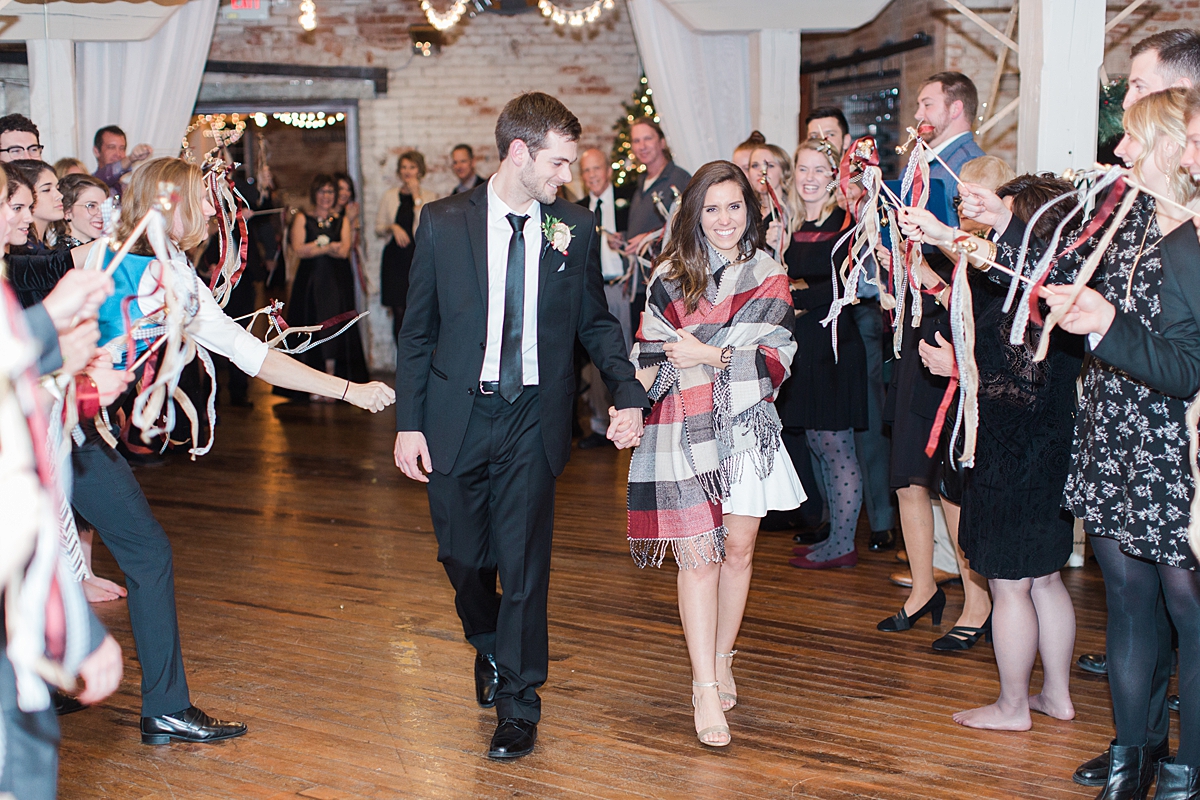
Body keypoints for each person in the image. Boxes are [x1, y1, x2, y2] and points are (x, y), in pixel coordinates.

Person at [10, 156, 395, 746]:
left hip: (72, 434)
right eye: (201, 199)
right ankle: (62, 692)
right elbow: (252, 356)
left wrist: (349, 389)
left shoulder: (154, 271)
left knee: (139, 553)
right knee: (65, 560)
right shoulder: (123, 264)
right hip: (36, 434)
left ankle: (144, 702)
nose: (213, 212)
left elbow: (249, 353)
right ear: (172, 206)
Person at [925, 87, 1200, 798]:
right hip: (1109, 434)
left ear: (1178, 149)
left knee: (1184, 613)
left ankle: (1184, 768)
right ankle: (1133, 754)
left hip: (1168, 448)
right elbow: (1045, 273)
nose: (1119, 152)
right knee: (1130, 605)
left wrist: (1108, 323)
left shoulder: (1188, 242)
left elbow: (1186, 367)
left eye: (1134, 137)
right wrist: (991, 227)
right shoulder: (1129, 225)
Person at [393, 92, 649, 761]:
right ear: (519, 152)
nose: (565, 176)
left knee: (525, 566)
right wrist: (408, 423)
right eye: (558, 163)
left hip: (534, 418)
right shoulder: (443, 222)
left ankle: (518, 699)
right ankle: (488, 642)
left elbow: (596, 321)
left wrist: (628, 391)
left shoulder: (574, 227)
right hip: (457, 414)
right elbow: (416, 333)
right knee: (463, 558)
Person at [627, 159, 800, 746]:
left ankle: (725, 654)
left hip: (748, 426)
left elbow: (778, 358)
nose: (725, 219)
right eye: (712, 207)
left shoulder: (769, 271)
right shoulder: (670, 275)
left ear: (749, 211)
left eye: (735, 206)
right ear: (694, 214)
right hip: (682, 425)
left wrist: (708, 356)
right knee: (698, 555)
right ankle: (704, 687)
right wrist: (679, 367)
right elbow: (650, 355)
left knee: (740, 551)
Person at [902, 173, 1082, 730]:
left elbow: (1021, 380)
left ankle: (1011, 706)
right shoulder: (1054, 283)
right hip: (1051, 445)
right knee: (1046, 578)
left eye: (1005, 216)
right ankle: (1056, 695)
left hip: (1014, 450)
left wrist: (958, 368)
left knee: (1009, 585)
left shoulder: (1025, 293)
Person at [777, 139, 866, 570]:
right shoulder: (794, 225)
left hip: (833, 345)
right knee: (816, 443)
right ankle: (833, 536)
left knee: (836, 446)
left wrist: (798, 296)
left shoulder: (847, 222)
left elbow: (846, 289)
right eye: (802, 169)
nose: (809, 178)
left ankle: (844, 544)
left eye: (818, 170)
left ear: (834, 177)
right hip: (805, 346)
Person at [576, 146, 636, 450]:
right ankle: (601, 425)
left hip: (624, 289)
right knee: (599, 359)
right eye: (586, 171)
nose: (592, 175)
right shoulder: (578, 209)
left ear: (608, 171)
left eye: (597, 168)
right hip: (593, 293)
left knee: (626, 356)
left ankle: (634, 418)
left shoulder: (630, 202)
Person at [287, 173, 368, 387]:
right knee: (311, 325)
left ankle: (333, 380)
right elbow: (298, 249)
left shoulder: (341, 219)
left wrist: (316, 246)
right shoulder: (304, 217)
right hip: (310, 282)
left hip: (335, 281)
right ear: (315, 193)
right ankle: (311, 382)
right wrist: (327, 246)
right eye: (322, 191)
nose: (326, 196)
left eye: (330, 191)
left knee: (333, 326)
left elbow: (343, 251)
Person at [621, 117, 692, 324]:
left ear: (661, 142)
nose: (641, 146)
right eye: (636, 141)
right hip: (641, 283)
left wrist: (649, 237)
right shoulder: (641, 181)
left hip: (667, 284)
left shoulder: (679, 178)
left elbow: (687, 225)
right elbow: (648, 225)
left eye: (647, 139)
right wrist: (625, 238)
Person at [376, 151, 437, 341]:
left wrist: (417, 197)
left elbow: (425, 229)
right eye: (403, 167)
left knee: (420, 310)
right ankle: (401, 363)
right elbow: (378, 228)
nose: (407, 171)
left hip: (417, 260)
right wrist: (393, 227)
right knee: (399, 311)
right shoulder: (389, 196)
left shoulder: (429, 196)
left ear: (420, 170)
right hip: (395, 260)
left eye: (412, 167)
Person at [915, 72, 987, 221]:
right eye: (919, 106)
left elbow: (972, 237)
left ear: (955, 109)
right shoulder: (921, 161)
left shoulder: (972, 166)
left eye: (927, 104)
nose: (917, 115)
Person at [7, 160, 64, 251]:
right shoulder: (23, 249)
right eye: (46, 190)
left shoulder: (43, 244)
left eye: (57, 188)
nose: (60, 196)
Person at [748, 143, 793, 258]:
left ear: (784, 171)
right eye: (755, 165)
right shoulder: (749, 211)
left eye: (769, 165)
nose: (762, 171)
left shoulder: (792, 211)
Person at [92, 125, 153, 196]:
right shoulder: (89, 185)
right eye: (111, 147)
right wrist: (131, 158)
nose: (118, 154)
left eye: (122, 148)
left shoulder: (129, 191)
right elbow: (107, 175)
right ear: (96, 151)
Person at [56, 173, 109, 247]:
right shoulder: (62, 256)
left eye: (104, 206)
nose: (101, 214)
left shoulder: (101, 249)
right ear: (67, 212)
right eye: (91, 206)